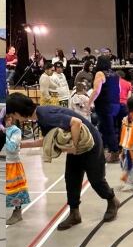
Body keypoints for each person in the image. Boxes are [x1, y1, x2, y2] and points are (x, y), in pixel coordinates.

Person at [6, 93, 119, 230]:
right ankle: (74, 213)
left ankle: (112, 200)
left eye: (13, 115)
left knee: (96, 179)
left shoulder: (46, 116)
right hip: (77, 145)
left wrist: (74, 146)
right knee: (71, 179)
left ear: (18, 112)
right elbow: (48, 140)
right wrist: (22, 145)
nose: (13, 118)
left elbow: (76, 123)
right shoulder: (41, 116)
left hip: (90, 144)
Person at [89, 55, 121, 162]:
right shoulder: (115, 74)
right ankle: (103, 149)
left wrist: (89, 102)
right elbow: (119, 89)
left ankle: (114, 152)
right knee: (105, 128)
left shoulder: (100, 74)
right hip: (116, 104)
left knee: (108, 129)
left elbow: (96, 91)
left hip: (104, 105)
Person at [4, 113, 30, 225]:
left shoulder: (16, 131)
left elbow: (12, 147)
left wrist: (4, 135)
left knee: (15, 191)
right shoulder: (2, 129)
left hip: (12, 163)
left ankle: (17, 212)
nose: (6, 121)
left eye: (9, 119)